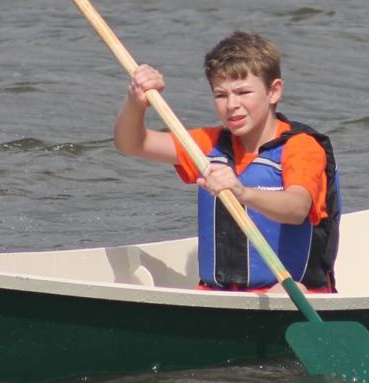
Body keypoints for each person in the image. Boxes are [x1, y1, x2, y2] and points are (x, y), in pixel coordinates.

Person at [114, 31, 341, 292]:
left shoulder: (301, 147)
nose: (232, 105)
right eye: (221, 95)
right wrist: (135, 101)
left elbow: (297, 207)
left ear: (274, 91)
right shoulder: (206, 145)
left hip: (289, 292)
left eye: (243, 92)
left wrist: (242, 192)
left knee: (287, 292)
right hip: (220, 295)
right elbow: (130, 143)